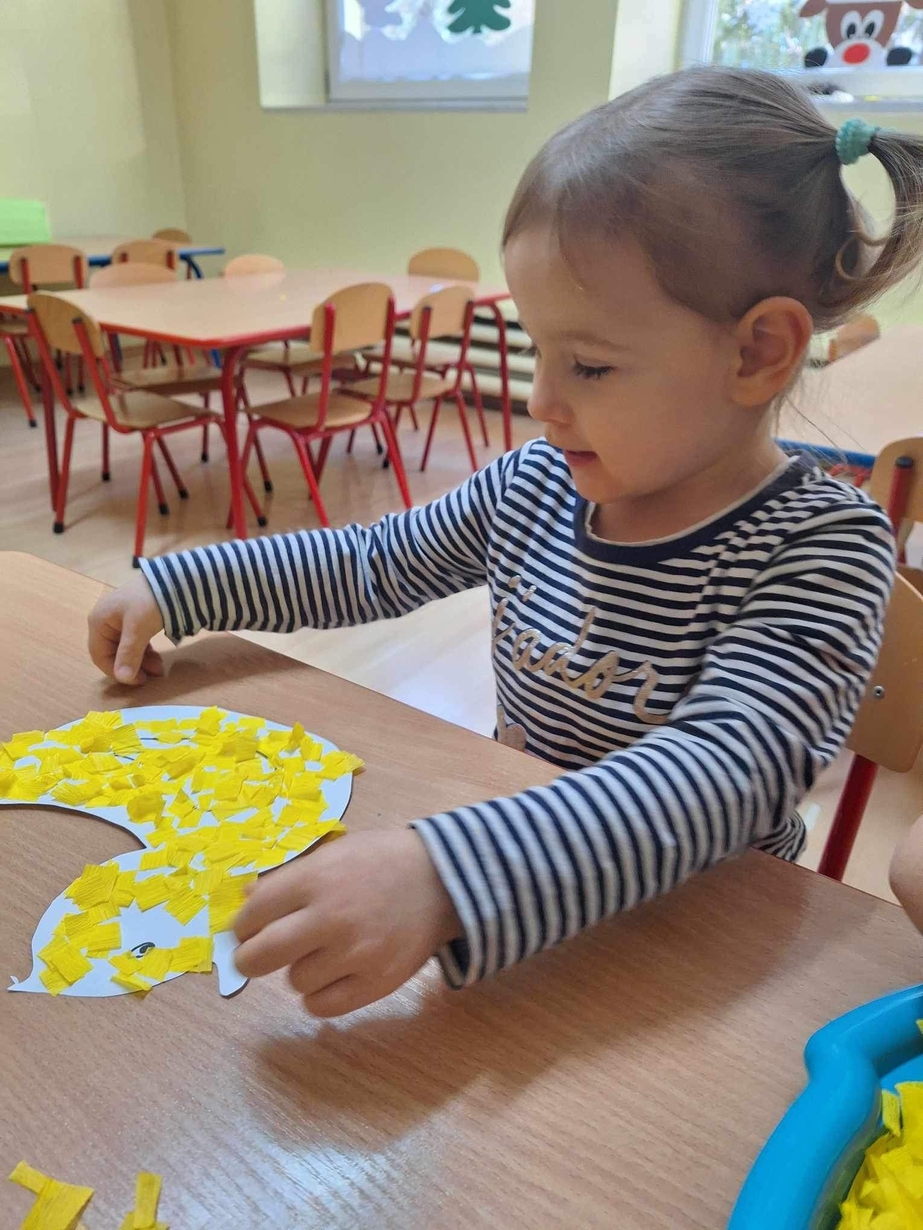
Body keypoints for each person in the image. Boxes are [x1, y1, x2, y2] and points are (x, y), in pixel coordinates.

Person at [88, 67, 910, 1018]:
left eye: (589, 365)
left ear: (757, 352)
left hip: (692, 940)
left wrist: (448, 875)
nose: (539, 402)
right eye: (535, 352)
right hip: (521, 899)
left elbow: (726, 773)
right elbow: (368, 566)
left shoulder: (822, 550)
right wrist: (182, 585)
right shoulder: (535, 482)